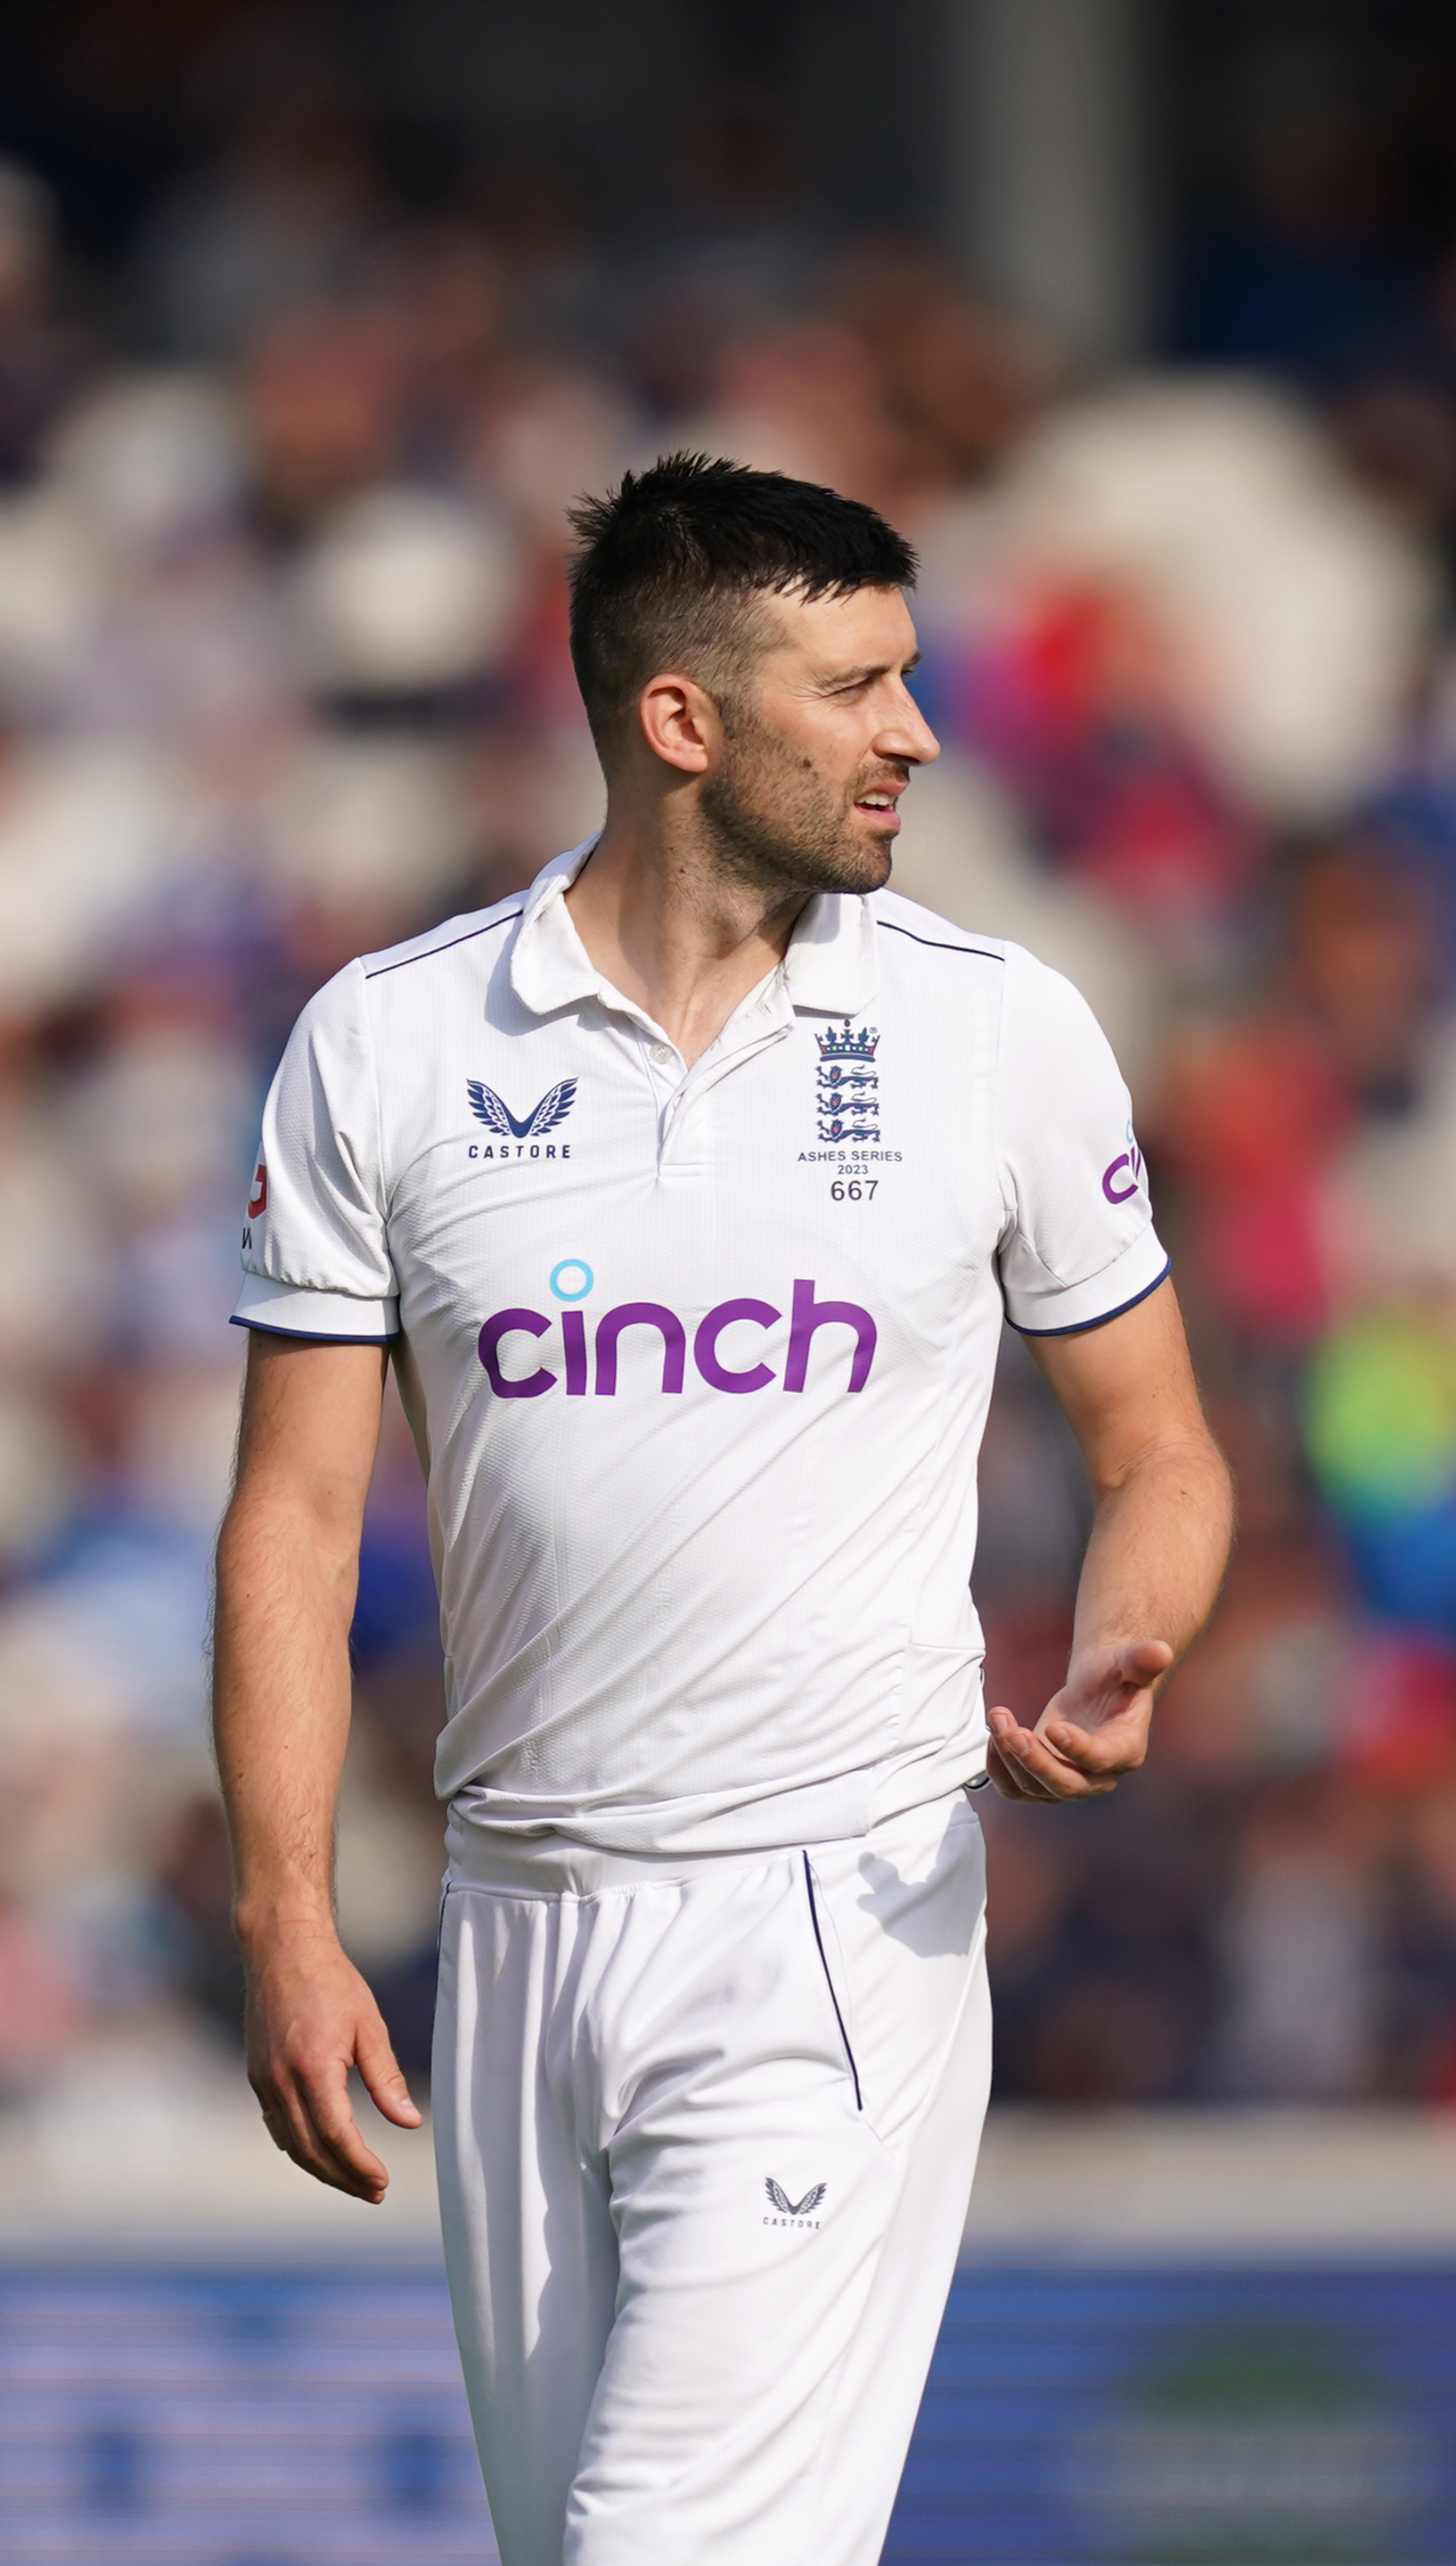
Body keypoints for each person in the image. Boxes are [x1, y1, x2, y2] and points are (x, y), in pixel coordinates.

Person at [213, 452, 1232, 2566]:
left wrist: (1128, 1649)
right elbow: (296, 1525)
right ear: (681, 720)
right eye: (857, 686)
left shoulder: (995, 1029)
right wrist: (290, 1918)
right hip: (508, 1923)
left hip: (826, 1914)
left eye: (914, 677)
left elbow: (1159, 1448)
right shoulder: (386, 1045)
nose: (918, 734)